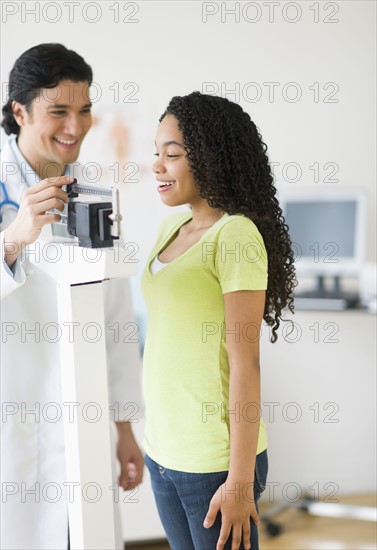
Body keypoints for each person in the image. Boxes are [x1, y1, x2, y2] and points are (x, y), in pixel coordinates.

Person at [0, 43, 144, 550]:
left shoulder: (93, 193)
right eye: (58, 111)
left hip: (82, 422)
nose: (75, 126)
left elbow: (116, 319)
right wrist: (14, 237)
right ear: (19, 111)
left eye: (83, 111)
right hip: (12, 416)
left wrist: (125, 427)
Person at [142, 92, 297, 550]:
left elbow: (246, 364)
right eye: (156, 153)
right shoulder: (170, 229)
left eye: (172, 154)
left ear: (210, 157)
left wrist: (240, 481)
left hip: (214, 463)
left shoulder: (235, 234)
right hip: (163, 451)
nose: (157, 165)